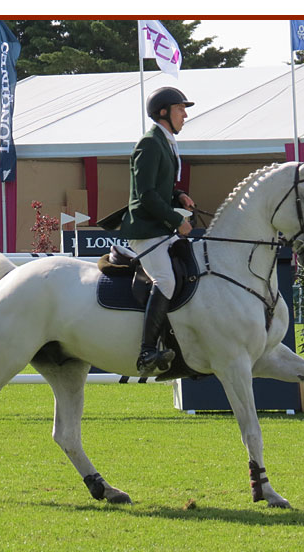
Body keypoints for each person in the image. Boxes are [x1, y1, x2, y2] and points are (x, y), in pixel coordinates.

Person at [119, 87, 195, 377]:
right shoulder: (150, 143)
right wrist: (176, 219)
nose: (185, 115)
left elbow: (161, 188)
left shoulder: (166, 142)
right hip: (147, 230)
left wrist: (178, 196)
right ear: (164, 112)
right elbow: (146, 194)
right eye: (180, 109)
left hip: (160, 228)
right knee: (165, 279)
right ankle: (147, 351)